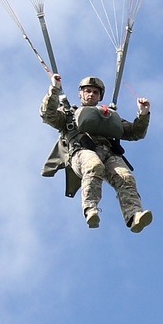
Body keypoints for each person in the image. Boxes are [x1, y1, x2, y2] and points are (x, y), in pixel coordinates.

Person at [40, 73, 152, 232]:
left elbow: (135, 132)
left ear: (100, 97)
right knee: (94, 165)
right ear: (80, 93)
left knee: (125, 177)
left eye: (95, 92)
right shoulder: (69, 114)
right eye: (88, 91)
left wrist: (143, 114)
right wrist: (54, 90)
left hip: (109, 154)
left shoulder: (107, 116)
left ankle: (134, 215)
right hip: (80, 152)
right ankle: (90, 208)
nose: (91, 94)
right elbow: (47, 114)